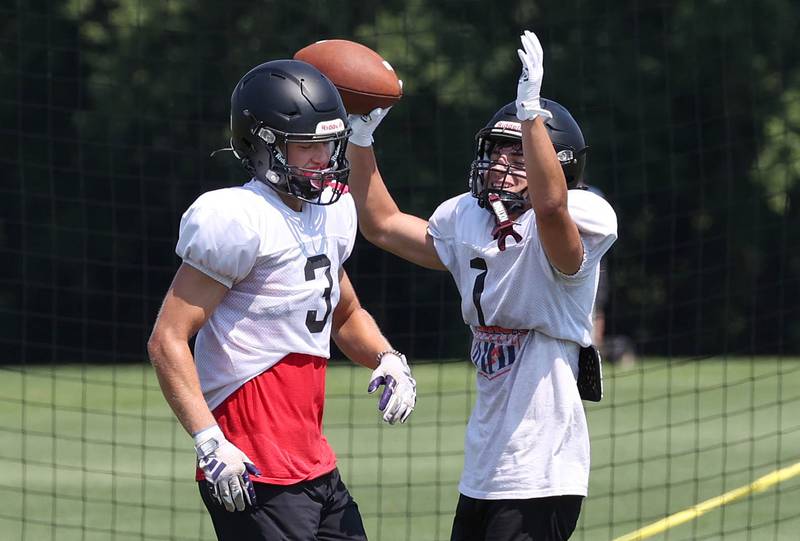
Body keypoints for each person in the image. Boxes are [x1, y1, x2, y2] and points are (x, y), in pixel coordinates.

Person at [345, 30, 618, 541]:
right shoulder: (467, 219)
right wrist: (361, 140)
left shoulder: (582, 215)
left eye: (517, 157)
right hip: (485, 468)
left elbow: (553, 208)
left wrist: (530, 112)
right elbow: (380, 223)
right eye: (497, 152)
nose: (499, 165)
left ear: (557, 162)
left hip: (543, 469)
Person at [146, 59, 417, 541]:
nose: (322, 158)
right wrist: (210, 442)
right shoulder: (239, 217)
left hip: (312, 460)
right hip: (251, 461)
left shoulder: (331, 215)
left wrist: (387, 357)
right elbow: (167, 339)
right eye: (307, 145)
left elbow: (345, 312)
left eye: (327, 144)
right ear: (263, 145)